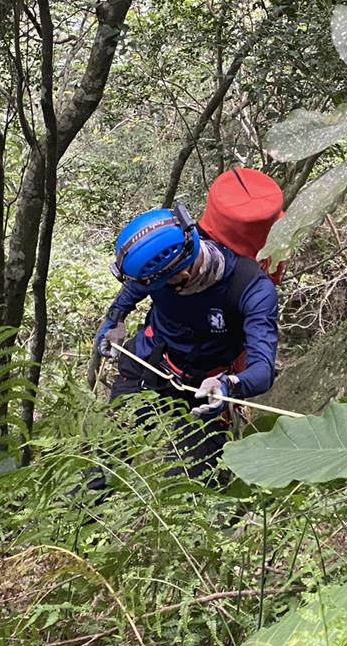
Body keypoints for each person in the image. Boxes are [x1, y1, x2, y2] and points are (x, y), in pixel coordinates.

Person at [95, 201, 279, 479]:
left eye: (158, 286)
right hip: (148, 363)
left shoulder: (252, 290)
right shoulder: (163, 264)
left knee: (198, 486)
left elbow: (263, 371)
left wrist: (228, 385)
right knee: (106, 463)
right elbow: (135, 286)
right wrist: (115, 319)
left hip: (205, 391)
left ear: (182, 276)